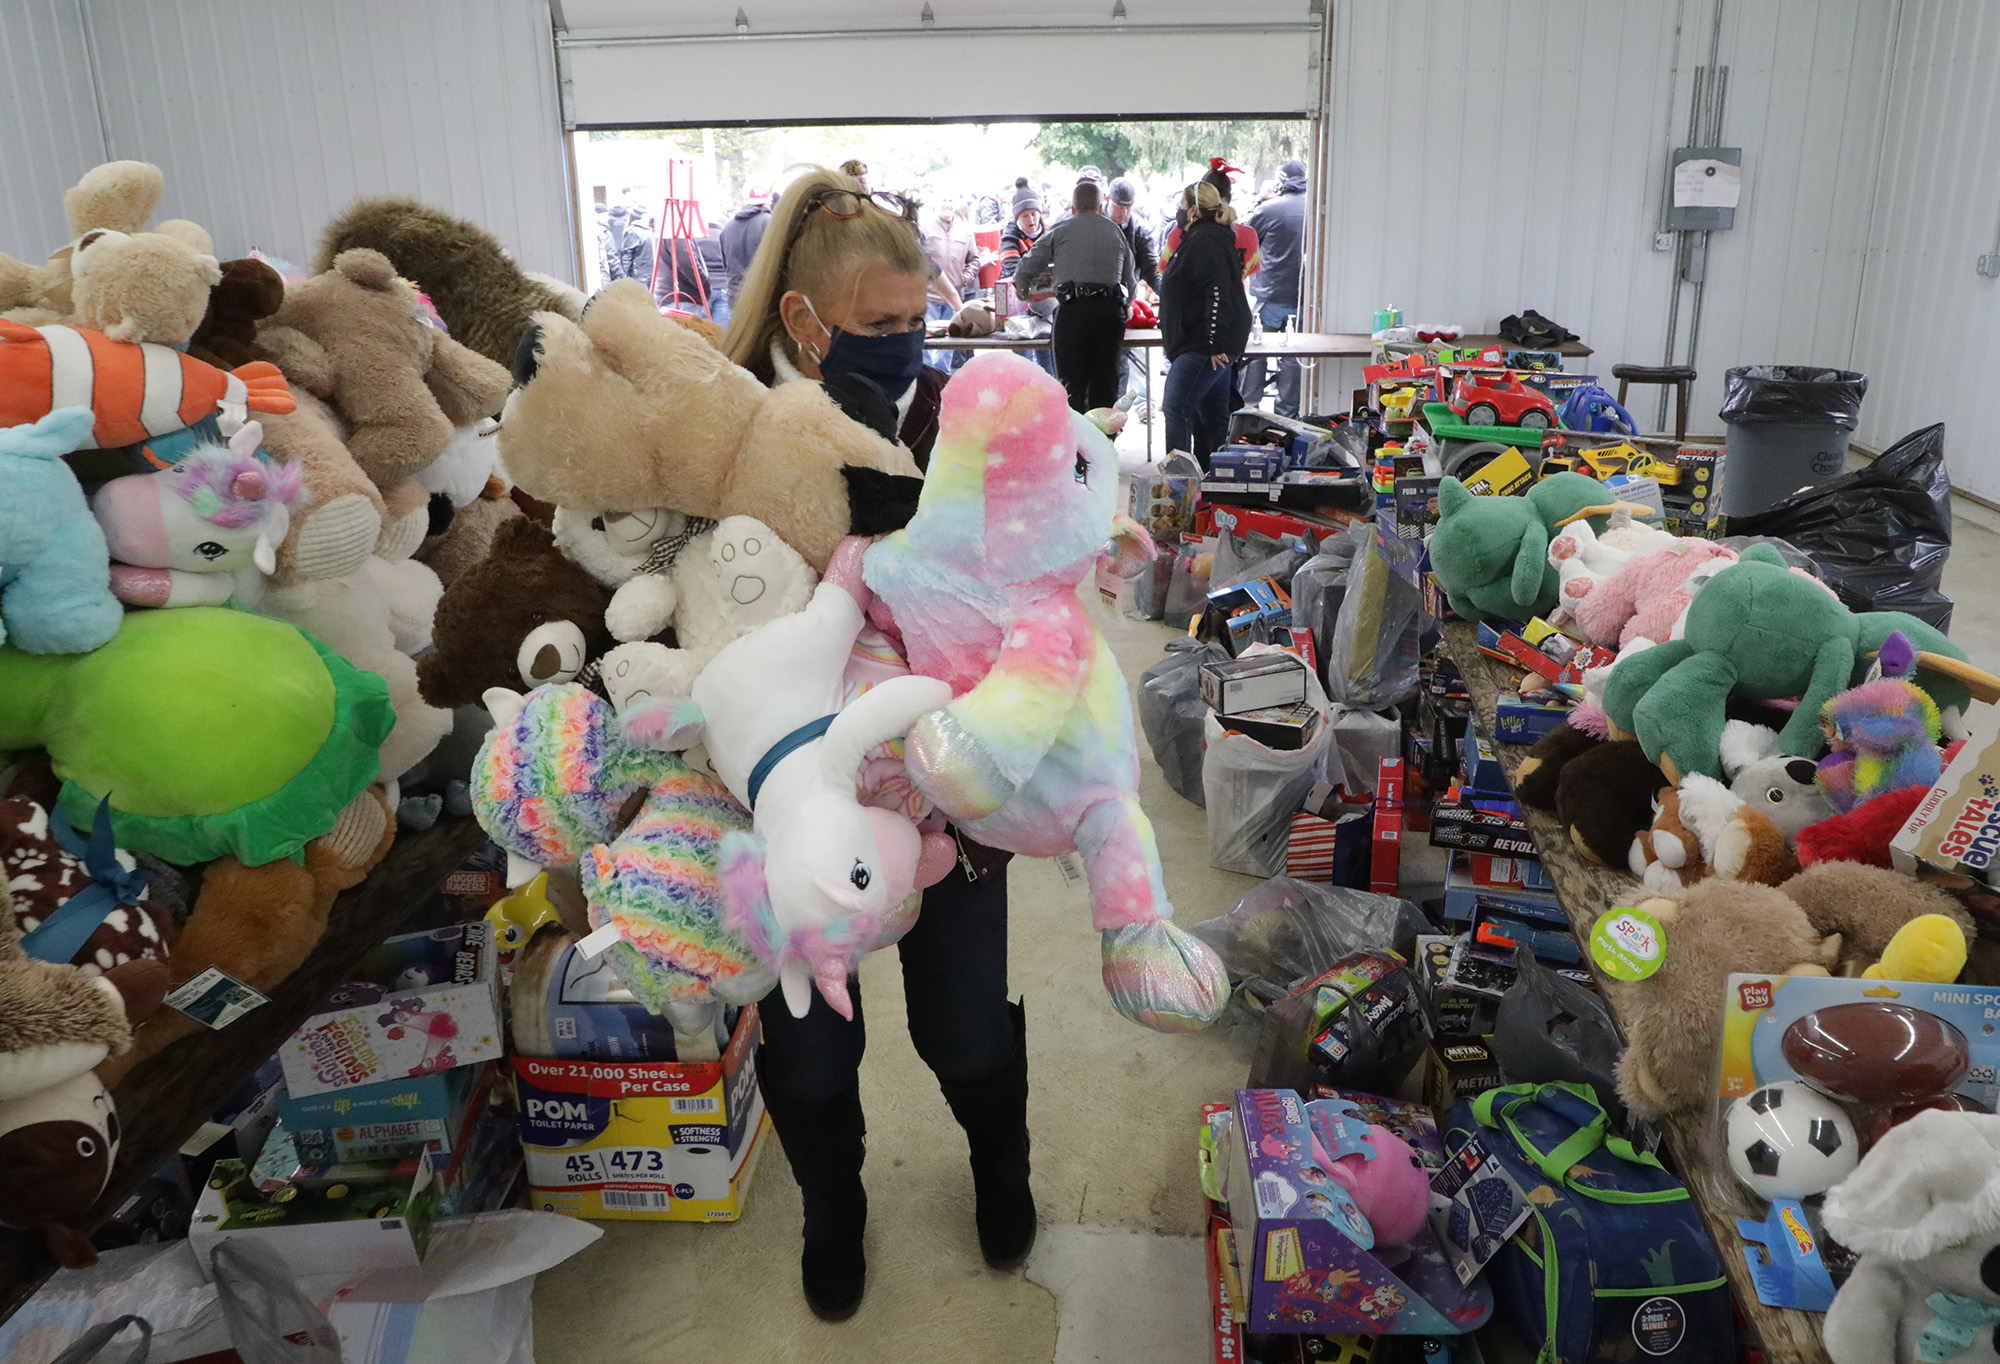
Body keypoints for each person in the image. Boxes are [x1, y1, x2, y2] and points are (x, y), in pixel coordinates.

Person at [717, 166, 1029, 1323]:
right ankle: (832, 1213)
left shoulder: (957, 418)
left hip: (947, 795)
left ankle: (1003, 1166)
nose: (905, 347)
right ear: (805, 322)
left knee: (963, 1032)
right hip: (803, 813)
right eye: (878, 325)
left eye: (916, 322)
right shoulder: (740, 431)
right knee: (806, 1058)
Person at [1013, 179, 1136, 413]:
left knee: (1070, 388)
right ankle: (1103, 446)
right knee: (1105, 386)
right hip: (1110, 314)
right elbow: (1130, 282)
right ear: (1101, 208)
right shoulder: (1116, 232)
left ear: (1073, 208)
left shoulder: (1062, 229)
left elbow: (1028, 263)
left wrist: (1023, 291)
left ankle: (1074, 447)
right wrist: (1125, 305)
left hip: (1074, 312)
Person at [1159, 179, 1252, 467]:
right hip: (1207, 341)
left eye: (1182, 206)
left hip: (1202, 343)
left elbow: (1217, 292)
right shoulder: (1209, 236)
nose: (1179, 211)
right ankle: (1224, 482)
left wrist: (1215, 343)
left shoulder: (1204, 240)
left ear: (1193, 210)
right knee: (1214, 417)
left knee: (1176, 408)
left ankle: (1178, 485)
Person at [1241, 158, 1308, 417]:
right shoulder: (1315, 209)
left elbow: (1242, 235)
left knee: (1255, 355)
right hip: (1302, 300)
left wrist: (1260, 199)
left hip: (1268, 298)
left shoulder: (1268, 210)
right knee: (1292, 359)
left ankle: (1248, 413)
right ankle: (1287, 417)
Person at [998, 177, 1055, 377]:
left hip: (1046, 305)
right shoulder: (1010, 237)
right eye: (1024, 216)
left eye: (1034, 214)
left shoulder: (1050, 233)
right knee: (1020, 360)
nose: (1031, 220)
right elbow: (1012, 269)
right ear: (1017, 218)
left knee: (1047, 354)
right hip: (1019, 304)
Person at [920, 197, 979, 375]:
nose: (946, 204)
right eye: (943, 199)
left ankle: (941, 382)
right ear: (935, 203)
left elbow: (974, 259)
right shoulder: (923, 228)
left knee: (947, 349)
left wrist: (965, 277)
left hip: (954, 300)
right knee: (927, 346)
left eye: (950, 200)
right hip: (928, 298)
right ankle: (927, 380)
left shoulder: (966, 232)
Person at [718, 186, 773, 320]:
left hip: (735, 296)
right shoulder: (769, 223)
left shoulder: (728, 225)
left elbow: (725, 262)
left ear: (747, 200)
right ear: (766, 202)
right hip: (761, 296)